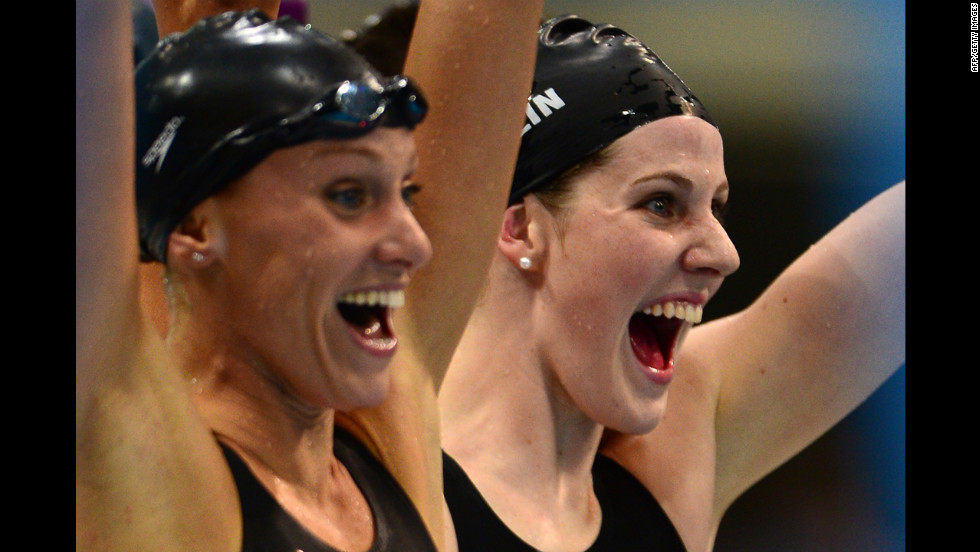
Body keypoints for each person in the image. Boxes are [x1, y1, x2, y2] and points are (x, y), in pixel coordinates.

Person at [76, 1, 543, 551]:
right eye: (348, 196)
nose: (416, 245)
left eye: (407, 193)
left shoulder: (389, 445)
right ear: (198, 228)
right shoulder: (145, 467)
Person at [437, 14, 905, 552]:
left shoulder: (675, 458)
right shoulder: (372, 489)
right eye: (661, 204)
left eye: (717, 208)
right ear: (521, 229)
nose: (725, 255)